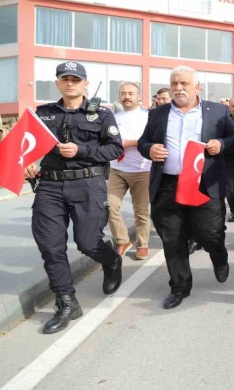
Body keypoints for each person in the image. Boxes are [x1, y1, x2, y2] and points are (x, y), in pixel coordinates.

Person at [25, 61, 124, 334]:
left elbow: (115, 149)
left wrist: (81, 151)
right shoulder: (42, 114)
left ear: (85, 83)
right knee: (50, 247)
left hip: (88, 185)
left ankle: (111, 260)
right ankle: (66, 302)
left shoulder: (101, 114)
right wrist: (28, 161)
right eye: (65, 79)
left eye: (75, 79)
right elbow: (26, 145)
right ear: (57, 83)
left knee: (88, 242)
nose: (70, 83)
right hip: (50, 186)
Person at [138, 65, 234, 309]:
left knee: (211, 233)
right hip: (168, 185)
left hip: (204, 184)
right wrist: (149, 149)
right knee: (172, 239)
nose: (178, 88)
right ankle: (180, 286)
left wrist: (221, 144)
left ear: (197, 87)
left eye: (184, 83)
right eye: (174, 83)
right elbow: (144, 141)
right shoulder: (158, 113)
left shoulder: (217, 111)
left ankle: (219, 256)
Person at [109, 82, 152, 260]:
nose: (126, 97)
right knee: (109, 206)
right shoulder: (113, 117)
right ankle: (122, 240)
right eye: (123, 93)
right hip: (116, 169)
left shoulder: (148, 117)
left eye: (130, 93)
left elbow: (153, 140)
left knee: (141, 211)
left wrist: (129, 143)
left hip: (142, 170)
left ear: (138, 96)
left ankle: (142, 245)